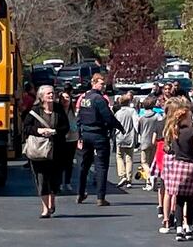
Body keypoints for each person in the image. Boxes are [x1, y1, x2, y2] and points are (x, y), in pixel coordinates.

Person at [76, 73, 124, 206]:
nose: (103, 86)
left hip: (86, 134)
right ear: (94, 82)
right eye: (101, 84)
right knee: (101, 166)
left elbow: (79, 117)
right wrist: (120, 127)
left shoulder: (84, 98)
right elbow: (108, 117)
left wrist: (80, 134)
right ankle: (100, 197)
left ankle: (80, 193)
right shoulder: (99, 99)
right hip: (99, 135)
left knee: (84, 165)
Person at [23, 85, 69, 218]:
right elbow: (26, 128)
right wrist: (39, 131)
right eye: (48, 93)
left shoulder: (59, 110)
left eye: (52, 93)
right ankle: (45, 209)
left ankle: (52, 202)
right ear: (41, 97)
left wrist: (54, 131)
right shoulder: (35, 111)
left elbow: (65, 127)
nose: (51, 95)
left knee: (55, 180)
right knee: (41, 179)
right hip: (39, 151)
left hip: (57, 151)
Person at [162, 106, 193, 241]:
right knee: (190, 199)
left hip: (177, 165)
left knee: (179, 199)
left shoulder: (175, 131)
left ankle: (178, 229)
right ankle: (189, 227)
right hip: (190, 165)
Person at [113, 93, 139, 188]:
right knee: (129, 158)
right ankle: (129, 179)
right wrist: (138, 134)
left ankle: (122, 175)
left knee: (119, 156)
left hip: (120, 137)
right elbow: (136, 124)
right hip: (130, 137)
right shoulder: (132, 111)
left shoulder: (118, 113)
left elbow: (114, 125)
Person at [58, 89, 79, 195]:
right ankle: (59, 183)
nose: (65, 100)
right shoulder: (58, 111)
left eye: (67, 98)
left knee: (69, 162)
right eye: (63, 98)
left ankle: (67, 182)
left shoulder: (74, 111)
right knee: (60, 162)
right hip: (61, 139)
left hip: (72, 138)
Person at [137, 96, 161, 192]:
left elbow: (138, 129)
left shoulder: (141, 117)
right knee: (151, 162)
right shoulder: (157, 116)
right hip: (154, 140)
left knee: (144, 162)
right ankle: (151, 179)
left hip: (144, 140)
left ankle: (149, 179)